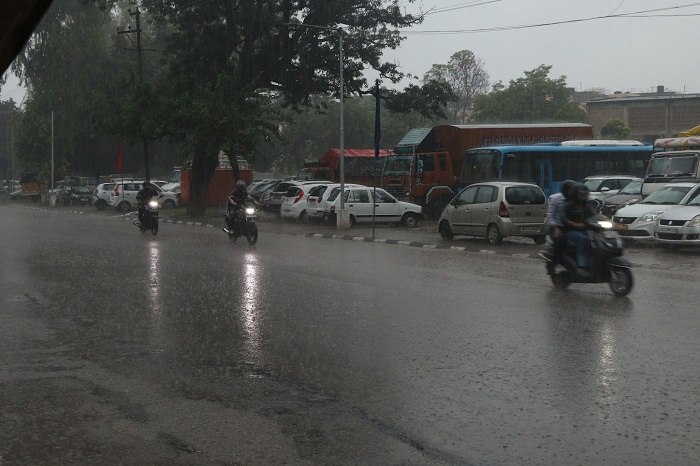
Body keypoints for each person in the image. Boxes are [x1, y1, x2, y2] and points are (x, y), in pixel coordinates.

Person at [542, 180, 576, 271]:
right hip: (556, 227)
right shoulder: (555, 199)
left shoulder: (575, 199)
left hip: (569, 226)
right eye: (570, 190)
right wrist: (556, 228)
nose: (572, 192)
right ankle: (553, 262)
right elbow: (550, 215)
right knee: (559, 240)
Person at [562, 183, 595, 276]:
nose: (583, 197)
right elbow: (563, 219)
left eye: (584, 194)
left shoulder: (586, 206)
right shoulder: (568, 206)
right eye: (581, 195)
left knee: (596, 238)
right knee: (583, 240)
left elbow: (594, 216)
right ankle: (582, 266)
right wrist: (575, 224)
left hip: (584, 230)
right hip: (569, 232)